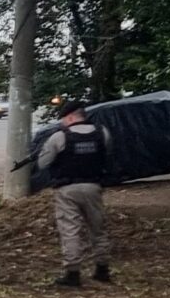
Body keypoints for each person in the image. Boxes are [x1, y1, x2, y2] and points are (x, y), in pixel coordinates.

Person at [34, 96, 112, 287]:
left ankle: (73, 273)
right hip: (94, 187)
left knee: (70, 229)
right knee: (98, 227)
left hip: (67, 189)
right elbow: (107, 155)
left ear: (69, 117)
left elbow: (43, 163)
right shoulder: (102, 133)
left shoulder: (60, 137)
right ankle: (102, 269)